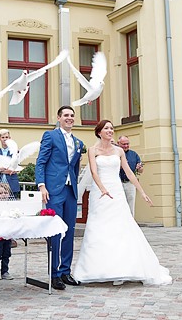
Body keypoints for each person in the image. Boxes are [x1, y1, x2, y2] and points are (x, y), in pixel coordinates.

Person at [73, 120, 172, 286]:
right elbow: (94, 172)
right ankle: (93, 269)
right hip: (100, 193)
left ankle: (122, 268)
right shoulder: (92, 150)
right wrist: (103, 189)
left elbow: (129, 173)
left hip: (117, 192)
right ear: (99, 132)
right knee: (99, 227)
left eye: (112, 128)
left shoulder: (119, 151)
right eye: (107, 128)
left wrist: (142, 191)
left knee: (120, 227)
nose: (110, 131)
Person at [34, 105, 83, 291]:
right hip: (54, 190)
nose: (69, 118)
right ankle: (53, 274)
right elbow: (41, 161)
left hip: (70, 191)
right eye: (66, 115)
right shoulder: (51, 135)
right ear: (59, 118)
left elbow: (75, 167)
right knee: (55, 231)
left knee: (69, 231)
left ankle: (65, 270)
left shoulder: (78, 142)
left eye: (72, 115)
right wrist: (42, 185)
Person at [0, 183, 14, 280]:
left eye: (5, 192)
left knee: (7, 253)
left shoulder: (10, 206)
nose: (4, 195)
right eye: (1, 193)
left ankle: (5, 271)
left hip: (7, 234)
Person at [116, 136, 144, 217]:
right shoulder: (114, 153)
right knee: (118, 205)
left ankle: (131, 223)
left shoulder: (134, 154)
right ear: (118, 144)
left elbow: (141, 170)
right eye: (123, 144)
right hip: (118, 183)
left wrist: (140, 168)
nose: (126, 146)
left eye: (127, 144)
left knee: (130, 205)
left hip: (130, 183)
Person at [0, 128, 20, 199]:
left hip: (12, 185)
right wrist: (4, 169)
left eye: (6, 137)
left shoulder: (15, 152)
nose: (4, 139)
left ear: (10, 138)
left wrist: (1, 170)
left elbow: (16, 169)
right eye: (3, 137)